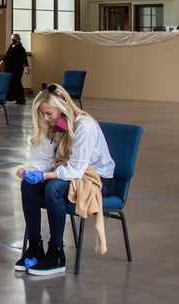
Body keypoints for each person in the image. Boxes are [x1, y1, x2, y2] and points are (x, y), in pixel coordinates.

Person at [15, 83, 115, 276]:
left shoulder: (84, 126)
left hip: (98, 178)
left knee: (53, 188)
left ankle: (57, 253)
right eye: (42, 114)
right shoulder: (50, 124)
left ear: (63, 109)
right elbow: (42, 159)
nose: (46, 118)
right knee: (28, 184)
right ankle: (35, 246)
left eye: (49, 114)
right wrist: (30, 171)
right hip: (68, 171)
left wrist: (43, 175)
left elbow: (76, 170)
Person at [0, 34, 30, 104]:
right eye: (11, 39)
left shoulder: (21, 48)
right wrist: (1, 62)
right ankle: (10, 97)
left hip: (17, 69)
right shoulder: (11, 46)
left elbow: (24, 58)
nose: (12, 40)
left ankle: (20, 99)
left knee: (17, 83)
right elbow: (6, 55)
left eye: (13, 39)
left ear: (17, 39)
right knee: (10, 83)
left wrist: (26, 67)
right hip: (9, 68)